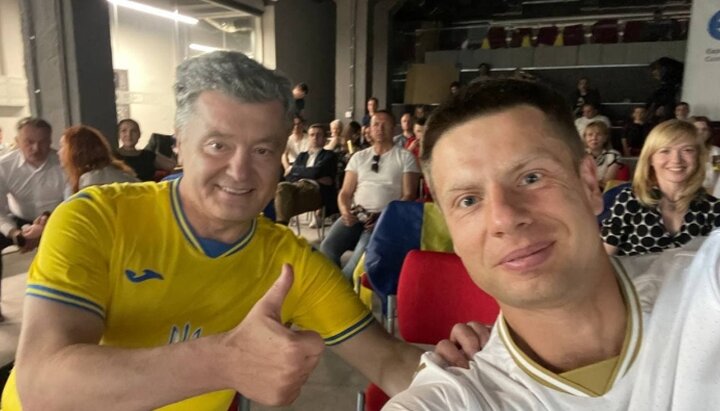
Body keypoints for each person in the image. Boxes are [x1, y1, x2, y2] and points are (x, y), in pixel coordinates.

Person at [2, 51, 422, 411]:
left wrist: (462, 370)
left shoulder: (290, 264)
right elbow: (42, 386)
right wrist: (224, 361)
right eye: (218, 145)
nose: (240, 171)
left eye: (262, 150)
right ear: (180, 145)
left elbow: (388, 361)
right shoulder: (96, 219)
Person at [384, 78, 720, 411]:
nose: (504, 218)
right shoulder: (454, 396)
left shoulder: (706, 291)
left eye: (531, 178)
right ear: (453, 233)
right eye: (468, 200)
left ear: (589, 184)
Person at [320, 110, 420, 280]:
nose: (379, 128)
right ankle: (337, 288)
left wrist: (384, 217)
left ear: (393, 128)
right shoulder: (359, 157)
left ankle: (342, 288)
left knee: (355, 264)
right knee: (327, 248)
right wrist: (344, 211)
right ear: (369, 129)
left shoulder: (405, 157)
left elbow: (409, 195)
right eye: (375, 124)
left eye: (384, 124)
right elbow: (345, 192)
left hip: (383, 219)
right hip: (357, 213)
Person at [600, 119, 720, 256]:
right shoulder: (630, 199)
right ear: (651, 158)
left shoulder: (714, 208)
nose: (676, 159)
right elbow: (603, 257)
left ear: (698, 157)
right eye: (665, 151)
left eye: (687, 150)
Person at [0, 117, 65, 321]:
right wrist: (14, 233)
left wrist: (45, 226)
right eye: (29, 142)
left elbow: (71, 202)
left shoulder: (64, 163)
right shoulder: (4, 166)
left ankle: (66, 303)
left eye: (43, 142)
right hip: (17, 220)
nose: (36, 148)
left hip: (57, 218)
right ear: (17, 141)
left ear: (50, 141)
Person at [275, 123, 338, 225]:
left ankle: (281, 227)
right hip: (297, 187)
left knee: (282, 202)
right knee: (281, 187)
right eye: (312, 135)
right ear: (308, 138)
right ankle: (282, 226)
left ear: (324, 139)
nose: (315, 137)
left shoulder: (329, 155)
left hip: (315, 191)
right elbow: (289, 176)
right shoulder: (302, 156)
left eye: (318, 135)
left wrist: (293, 169)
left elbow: (316, 172)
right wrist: (312, 174)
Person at [58, 125, 139, 195]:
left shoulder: (90, 183)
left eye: (62, 146)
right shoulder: (121, 173)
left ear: (75, 151)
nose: (58, 152)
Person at [583, 121, 621, 190]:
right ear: (585, 138)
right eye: (590, 135)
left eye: (598, 135)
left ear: (605, 138)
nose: (594, 138)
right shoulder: (579, 154)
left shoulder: (613, 155)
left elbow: (606, 183)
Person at [693, 116, 720, 196]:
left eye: (704, 129)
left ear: (709, 133)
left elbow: (717, 172)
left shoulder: (716, 152)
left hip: (712, 193)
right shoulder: (684, 151)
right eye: (697, 129)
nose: (701, 132)